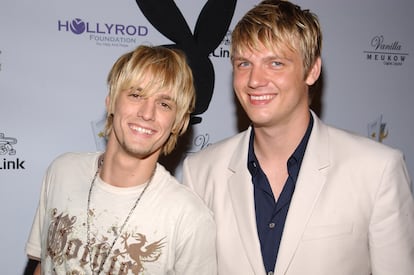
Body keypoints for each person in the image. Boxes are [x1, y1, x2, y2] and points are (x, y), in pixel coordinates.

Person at [182, 0, 414, 274]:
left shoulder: (376, 170)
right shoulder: (201, 172)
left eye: (276, 63)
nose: (255, 80)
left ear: (312, 70)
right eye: (244, 63)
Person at [26, 45, 217, 274]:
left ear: (177, 123)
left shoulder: (189, 218)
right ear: (111, 102)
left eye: (164, 104)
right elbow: (43, 264)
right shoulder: (62, 171)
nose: (147, 113)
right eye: (136, 95)